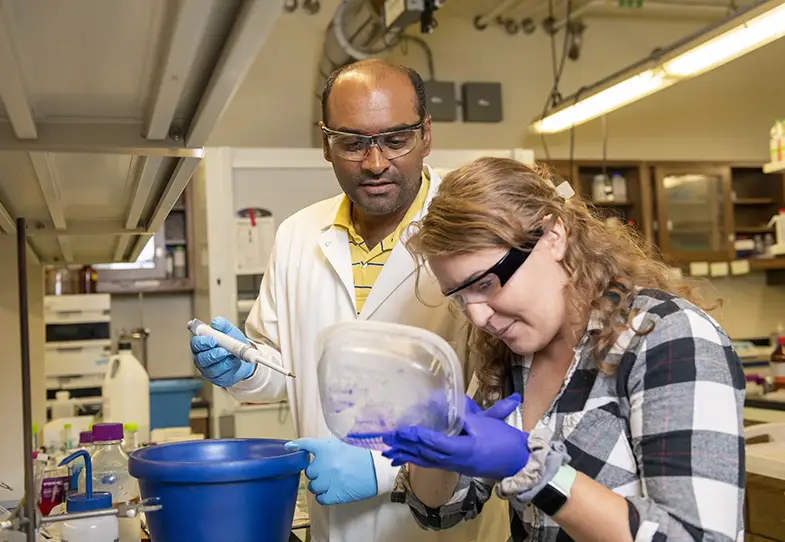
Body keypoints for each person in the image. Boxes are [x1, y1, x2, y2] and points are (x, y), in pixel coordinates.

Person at [190, 60, 503, 542]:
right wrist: (246, 367)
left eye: (396, 140)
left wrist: (380, 470)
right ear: (325, 143)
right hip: (335, 524)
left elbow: (502, 398)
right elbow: (290, 370)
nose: (375, 163)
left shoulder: (475, 229)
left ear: (426, 135)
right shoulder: (297, 234)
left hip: (448, 525)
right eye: (353, 143)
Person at [382, 157, 746, 542]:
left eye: (487, 283)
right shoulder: (509, 354)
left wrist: (535, 470)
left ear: (553, 237)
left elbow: (698, 537)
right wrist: (437, 446)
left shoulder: (667, 338)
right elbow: (444, 509)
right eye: (459, 296)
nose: (477, 316)